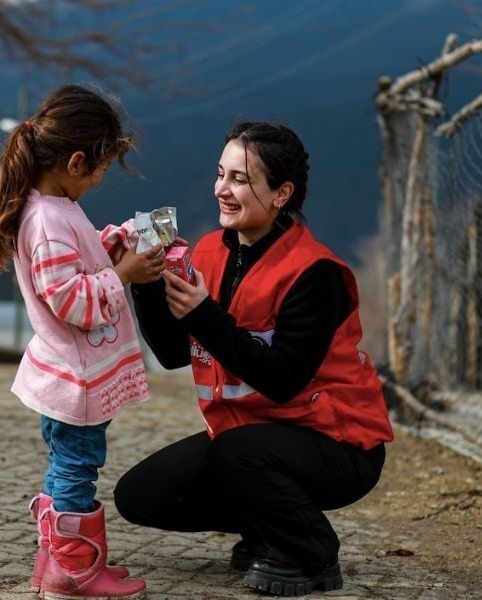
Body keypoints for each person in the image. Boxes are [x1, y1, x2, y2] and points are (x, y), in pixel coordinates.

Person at [115, 122, 394, 597]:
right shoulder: (205, 251)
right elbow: (170, 353)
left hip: (339, 446)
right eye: (221, 174)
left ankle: (310, 552)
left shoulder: (316, 272)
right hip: (248, 442)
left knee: (237, 451)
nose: (222, 189)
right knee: (140, 496)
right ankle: (270, 529)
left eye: (241, 179)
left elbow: (282, 379)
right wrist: (144, 281)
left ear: (282, 193)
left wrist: (204, 315)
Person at [0, 84, 165, 600]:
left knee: (67, 467)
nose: (101, 179)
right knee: (77, 470)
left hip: (68, 374)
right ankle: (76, 573)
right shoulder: (48, 219)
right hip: (74, 379)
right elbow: (70, 300)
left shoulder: (52, 207)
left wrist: (110, 247)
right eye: (102, 168)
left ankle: (56, 562)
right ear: (76, 160)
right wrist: (123, 273)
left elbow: (69, 269)